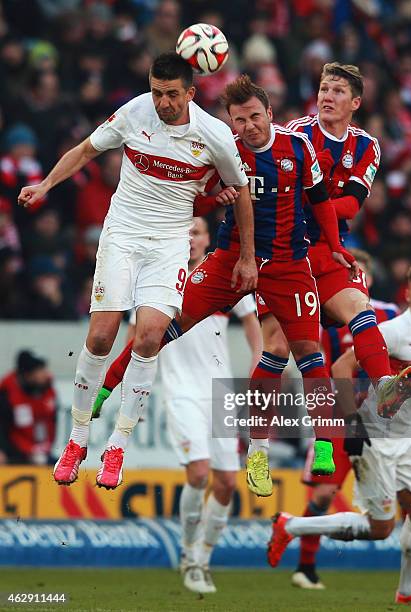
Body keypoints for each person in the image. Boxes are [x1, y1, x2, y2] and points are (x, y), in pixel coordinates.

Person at [92, 74, 358, 496]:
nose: (249, 126)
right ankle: (104, 387)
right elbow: (195, 200)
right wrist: (212, 200)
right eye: (239, 120)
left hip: (288, 264)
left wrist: (336, 246)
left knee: (308, 354)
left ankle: (313, 445)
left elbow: (321, 201)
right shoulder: (223, 150)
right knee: (161, 328)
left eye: (255, 117)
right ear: (230, 123)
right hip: (229, 261)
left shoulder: (298, 147)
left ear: (269, 114)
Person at [17, 52, 256, 490]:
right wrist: (46, 184)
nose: (161, 102)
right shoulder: (134, 111)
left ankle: (118, 445)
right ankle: (77, 439)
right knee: (101, 336)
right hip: (122, 233)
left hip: (169, 243)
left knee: (148, 337)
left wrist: (247, 256)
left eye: (170, 94)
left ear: (190, 92)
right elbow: (87, 149)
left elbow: (240, 191)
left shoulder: (214, 135)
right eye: (156, 91)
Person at [255, 63, 411, 477]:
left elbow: (352, 205)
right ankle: (258, 447)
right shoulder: (294, 133)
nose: (327, 96)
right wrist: (318, 197)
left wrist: (313, 198)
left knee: (361, 309)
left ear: (356, 103)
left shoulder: (367, 145)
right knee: (279, 348)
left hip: (326, 250)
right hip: (280, 250)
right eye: (324, 88)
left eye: (338, 91)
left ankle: (384, 386)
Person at [268, 262, 411, 605]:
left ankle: (407, 590)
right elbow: (342, 367)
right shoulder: (393, 331)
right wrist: (352, 421)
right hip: (373, 435)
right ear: (408, 294)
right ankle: (290, 525)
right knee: (381, 528)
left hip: (406, 437)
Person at [95, 217, 261, 594]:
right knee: (199, 474)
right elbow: (136, 336)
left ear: (208, 238)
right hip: (181, 390)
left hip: (221, 393)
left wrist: (258, 368)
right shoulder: (159, 277)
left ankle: (203, 557)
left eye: (197, 231)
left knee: (226, 483)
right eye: (185, 230)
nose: (190, 237)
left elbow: (254, 327)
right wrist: (120, 381)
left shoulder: (226, 274)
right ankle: (188, 554)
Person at [0, 350, 57, 465]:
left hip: (40, 451)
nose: (45, 374)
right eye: (40, 370)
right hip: (13, 453)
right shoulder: (7, 393)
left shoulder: (48, 390)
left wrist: (41, 449)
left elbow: (52, 422)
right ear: (27, 375)